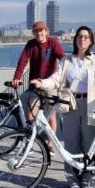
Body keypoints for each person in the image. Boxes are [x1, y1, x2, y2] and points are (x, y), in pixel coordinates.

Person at [31, 25, 95, 188]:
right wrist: (42, 83)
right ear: (75, 39)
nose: (82, 39)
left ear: (91, 41)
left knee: (90, 145)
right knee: (71, 145)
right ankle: (72, 179)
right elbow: (55, 79)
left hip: (91, 105)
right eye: (79, 36)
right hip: (70, 105)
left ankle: (88, 180)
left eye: (86, 37)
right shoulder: (67, 61)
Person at [12, 21, 66, 149]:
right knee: (30, 115)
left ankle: (50, 145)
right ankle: (29, 143)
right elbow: (22, 61)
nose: (38, 33)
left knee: (51, 117)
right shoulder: (31, 44)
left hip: (50, 86)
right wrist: (17, 77)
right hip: (35, 85)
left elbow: (63, 59)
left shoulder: (53, 43)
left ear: (46, 31)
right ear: (33, 33)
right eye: (36, 31)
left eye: (41, 30)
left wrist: (66, 76)